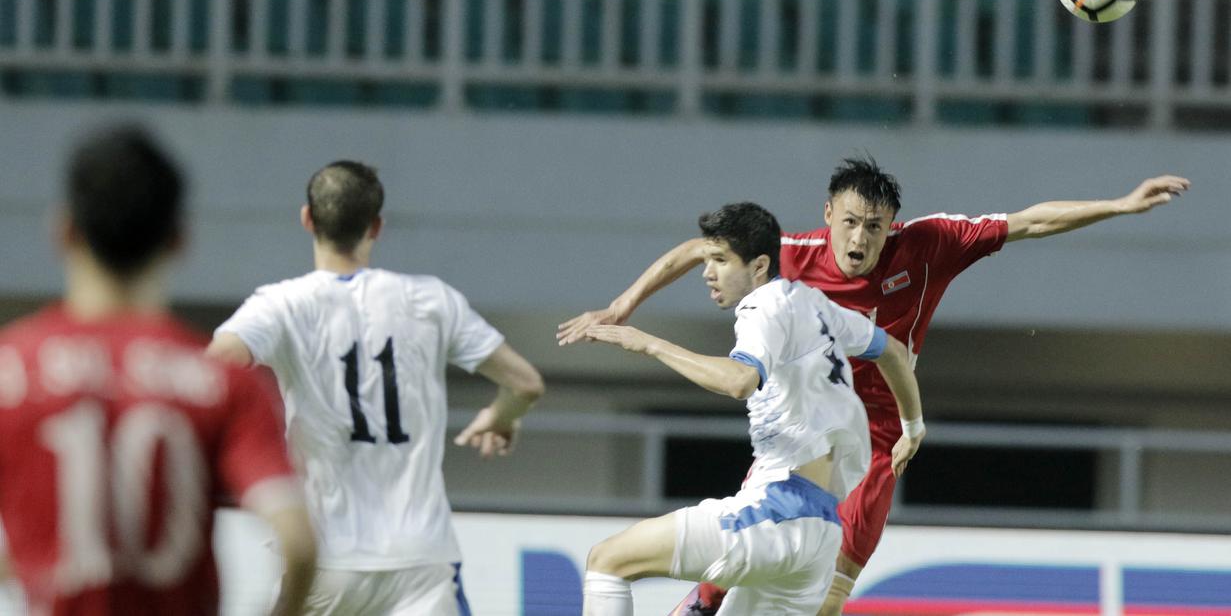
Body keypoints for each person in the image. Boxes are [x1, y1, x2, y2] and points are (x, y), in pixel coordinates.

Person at [559, 157, 1190, 616]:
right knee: (725, 585)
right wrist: (624, 305)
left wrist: (1120, 204)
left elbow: (1029, 223)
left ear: (895, 224)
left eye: (877, 226)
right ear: (827, 213)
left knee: (823, 599)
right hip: (800, 443)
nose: (861, 240)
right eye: (852, 222)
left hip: (875, 446)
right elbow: (699, 250)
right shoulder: (788, 256)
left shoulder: (931, 243)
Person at [0, 125, 317, 615]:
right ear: (178, 239)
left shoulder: (12, 368)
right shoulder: (221, 384)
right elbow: (297, 542)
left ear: (64, 231)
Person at [206, 160, 545, 615]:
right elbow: (525, 383)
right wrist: (501, 416)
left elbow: (212, 370)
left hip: (326, 559)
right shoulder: (430, 299)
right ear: (377, 226)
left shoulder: (281, 305)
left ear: (307, 218)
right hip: (421, 563)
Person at [577, 202, 925, 616]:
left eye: (721, 261)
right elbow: (893, 352)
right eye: (708, 259)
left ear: (759, 266)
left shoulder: (762, 307)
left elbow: (739, 380)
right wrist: (913, 425)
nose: (708, 272)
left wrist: (649, 343)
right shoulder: (815, 304)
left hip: (777, 512)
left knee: (607, 561)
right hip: (821, 536)